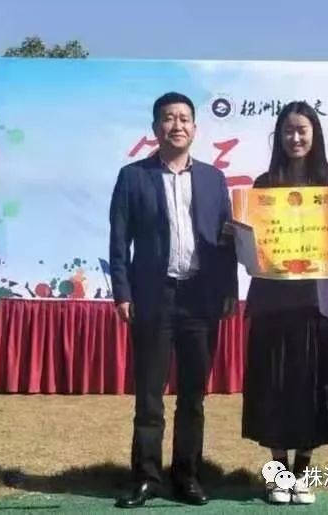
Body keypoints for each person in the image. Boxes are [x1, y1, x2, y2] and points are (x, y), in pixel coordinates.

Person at [109, 92, 238, 508]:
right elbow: (118, 242)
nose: (176, 125)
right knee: (149, 397)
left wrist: (229, 291)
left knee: (192, 397)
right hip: (153, 297)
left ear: (195, 128)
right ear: (155, 128)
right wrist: (122, 293)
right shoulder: (133, 177)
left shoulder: (214, 180)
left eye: (184, 118)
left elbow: (226, 243)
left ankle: (188, 476)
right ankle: (146, 478)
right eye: (168, 118)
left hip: (201, 299)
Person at [240, 101, 328, 505]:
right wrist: (239, 233)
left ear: (315, 135)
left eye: (302, 130)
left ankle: (302, 475)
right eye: (288, 131)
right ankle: (278, 474)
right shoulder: (264, 185)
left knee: (313, 390)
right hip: (273, 304)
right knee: (274, 390)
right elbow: (251, 250)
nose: (295, 138)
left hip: (318, 306)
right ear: (278, 137)